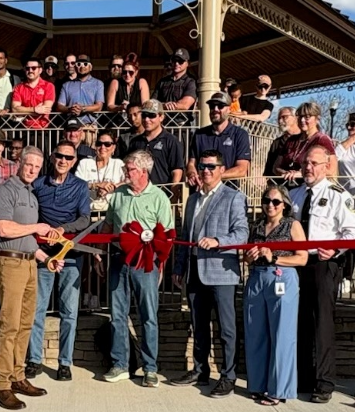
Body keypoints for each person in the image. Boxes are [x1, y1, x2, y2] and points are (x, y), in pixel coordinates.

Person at [171, 151, 249, 395]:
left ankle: (228, 376)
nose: (206, 170)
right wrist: (179, 267)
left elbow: (242, 234)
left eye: (211, 167)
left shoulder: (233, 197)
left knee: (226, 329)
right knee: (199, 325)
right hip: (195, 270)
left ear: (221, 169)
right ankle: (200, 370)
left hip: (221, 271)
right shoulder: (193, 199)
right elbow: (186, 235)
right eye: (202, 166)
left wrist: (218, 241)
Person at [291, 145, 355, 403]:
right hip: (298, 264)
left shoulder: (338, 195)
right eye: (305, 163)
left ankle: (324, 382)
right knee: (299, 322)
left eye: (314, 163)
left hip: (324, 265)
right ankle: (302, 377)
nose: (308, 167)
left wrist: (334, 249)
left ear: (326, 166)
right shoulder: (295, 194)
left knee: (322, 323)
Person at [103, 150, 175, 388]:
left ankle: (150, 368)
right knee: (117, 315)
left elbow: (167, 236)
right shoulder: (118, 196)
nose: (125, 173)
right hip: (118, 260)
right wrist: (99, 254)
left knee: (148, 316)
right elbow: (108, 226)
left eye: (130, 169)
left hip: (146, 263)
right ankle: (120, 364)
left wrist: (160, 264)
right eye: (125, 169)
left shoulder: (159, 198)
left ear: (144, 172)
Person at [0, 147, 53, 410]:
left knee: (26, 323)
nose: (32, 170)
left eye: (37, 167)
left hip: (28, 264)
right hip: (10, 262)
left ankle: (18, 376)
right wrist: (37, 228)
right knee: (9, 325)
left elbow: (25, 238)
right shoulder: (6, 190)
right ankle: (2, 384)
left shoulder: (31, 194)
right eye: (29, 165)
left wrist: (45, 257)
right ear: (19, 163)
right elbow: (3, 228)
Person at [25, 142, 91, 382]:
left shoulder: (81, 186)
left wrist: (63, 229)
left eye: (68, 157)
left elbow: (85, 218)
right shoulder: (38, 184)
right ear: (52, 157)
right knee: (37, 309)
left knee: (69, 311)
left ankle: (65, 362)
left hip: (70, 255)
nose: (63, 160)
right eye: (60, 156)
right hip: (42, 254)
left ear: (74, 162)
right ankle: (34, 359)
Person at [243, 185, 307, 405]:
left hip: (282, 278)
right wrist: (250, 256)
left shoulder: (292, 225)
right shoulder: (257, 225)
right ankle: (258, 384)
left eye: (276, 201)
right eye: (267, 200)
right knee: (255, 333)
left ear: (285, 205)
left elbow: (302, 258)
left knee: (282, 335)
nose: (270, 205)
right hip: (257, 278)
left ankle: (279, 389)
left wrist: (275, 259)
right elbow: (247, 258)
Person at [187, 91, 252, 186]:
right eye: (212, 106)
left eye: (220, 106)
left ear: (229, 109)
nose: (215, 109)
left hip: (227, 191)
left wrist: (214, 177)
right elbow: (191, 163)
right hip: (201, 191)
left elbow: (242, 169)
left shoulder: (240, 134)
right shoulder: (199, 134)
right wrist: (192, 174)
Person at [127, 99, 185, 192]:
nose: (147, 119)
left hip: (162, 194)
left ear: (161, 117)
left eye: (151, 115)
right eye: (144, 115)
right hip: (138, 194)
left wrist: (172, 197)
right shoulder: (135, 142)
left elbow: (177, 171)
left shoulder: (171, 141)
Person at [275, 102, 338, 183]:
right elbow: (276, 167)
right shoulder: (291, 140)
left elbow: (331, 170)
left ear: (317, 119)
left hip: (311, 188)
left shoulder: (322, 140)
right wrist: (286, 173)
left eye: (307, 117)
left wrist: (302, 173)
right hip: (288, 187)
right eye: (300, 116)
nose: (302, 120)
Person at [75, 130, 125, 212]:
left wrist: (113, 186)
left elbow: (129, 182)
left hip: (112, 212)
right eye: (99, 144)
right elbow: (76, 186)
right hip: (87, 211)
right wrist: (96, 185)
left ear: (113, 148)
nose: (103, 147)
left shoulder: (118, 164)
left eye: (107, 144)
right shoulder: (85, 163)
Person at [56, 54, 105, 125]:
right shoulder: (66, 85)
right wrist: (70, 109)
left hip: (89, 125)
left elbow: (99, 106)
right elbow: (59, 106)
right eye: (79, 64)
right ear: (75, 67)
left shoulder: (98, 83)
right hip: (71, 125)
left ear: (90, 67)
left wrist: (82, 109)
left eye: (85, 64)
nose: (82, 67)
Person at [12, 57, 56, 130]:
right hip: (23, 128)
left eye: (33, 68)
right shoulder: (18, 87)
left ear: (40, 70)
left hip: (43, 128)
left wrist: (23, 110)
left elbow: (45, 109)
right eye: (27, 68)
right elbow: (15, 109)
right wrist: (34, 109)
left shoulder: (49, 86)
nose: (30, 70)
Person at [153, 49, 197, 117]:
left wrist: (163, 106)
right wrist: (164, 105)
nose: (176, 63)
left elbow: (185, 105)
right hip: (162, 122)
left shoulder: (191, 81)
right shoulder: (162, 82)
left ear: (188, 63)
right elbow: (152, 103)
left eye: (180, 61)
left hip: (182, 124)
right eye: (174, 60)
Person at [106, 52, 149, 117]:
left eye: (131, 72)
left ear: (136, 72)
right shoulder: (115, 82)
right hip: (118, 122)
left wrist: (131, 107)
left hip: (137, 120)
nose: (127, 75)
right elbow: (109, 105)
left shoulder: (142, 82)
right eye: (124, 72)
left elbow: (145, 105)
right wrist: (120, 107)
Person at [265, 107, 300, 186]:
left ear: (296, 118)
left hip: (301, 186)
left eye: (285, 117)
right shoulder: (277, 142)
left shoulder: (305, 139)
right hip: (281, 187)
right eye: (279, 118)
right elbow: (269, 170)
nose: (280, 121)